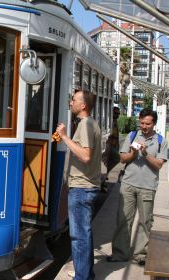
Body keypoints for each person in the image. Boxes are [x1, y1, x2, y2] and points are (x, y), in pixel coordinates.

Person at [107, 108, 168, 265]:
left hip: (148, 187)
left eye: (147, 123)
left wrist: (146, 153)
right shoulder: (132, 135)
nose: (144, 126)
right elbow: (122, 158)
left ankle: (140, 254)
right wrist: (133, 154)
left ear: (154, 123)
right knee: (123, 219)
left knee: (145, 221)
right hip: (128, 184)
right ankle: (120, 253)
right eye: (141, 123)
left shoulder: (161, 140)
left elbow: (159, 165)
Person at [56, 89, 101, 280]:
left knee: (79, 237)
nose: (70, 103)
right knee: (84, 235)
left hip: (82, 188)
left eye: (73, 100)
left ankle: (81, 277)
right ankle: (87, 274)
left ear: (83, 105)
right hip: (84, 186)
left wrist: (65, 137)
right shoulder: (88, 124)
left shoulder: (86, 124)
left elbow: (85, 155)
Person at [101, 106, 121, 191]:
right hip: (108, 145)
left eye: (118, 113)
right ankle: (102, 181)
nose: (117, 115)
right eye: (115, 113)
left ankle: (104, 177)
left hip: (114, 145)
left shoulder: (115, 122)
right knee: (106, 162)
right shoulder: (109, 121)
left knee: (114, 160)